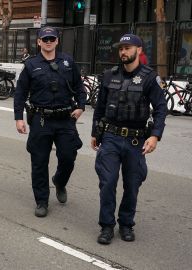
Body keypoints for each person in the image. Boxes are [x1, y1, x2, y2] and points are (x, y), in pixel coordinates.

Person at [91, 34, 166, 245]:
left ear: (139, 50)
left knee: (132, 185)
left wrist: (155, 136)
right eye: (121, 48)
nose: (123, 51)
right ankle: (106, 226)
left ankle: (126, 223)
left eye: (128, 47)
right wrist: (95, 133)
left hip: (136, 140)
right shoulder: (109, 75)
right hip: (111, 138)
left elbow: (161, 109)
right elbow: (100, 107)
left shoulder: (150, 78)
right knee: (107, 183)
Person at [14, 26, 86, 218]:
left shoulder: (68, 62)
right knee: (39, 162)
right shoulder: (31, 65)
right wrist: (18, 118)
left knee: (68, 156)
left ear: (57, 41)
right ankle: (42, 201)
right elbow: (20, 93)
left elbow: (79, 87)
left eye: (51, 39)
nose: (48, 42)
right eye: (44, 39)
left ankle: (60, 181)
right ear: (38, 42)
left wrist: (81, 106)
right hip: (41, 119)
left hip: (65, 119)